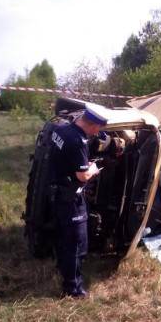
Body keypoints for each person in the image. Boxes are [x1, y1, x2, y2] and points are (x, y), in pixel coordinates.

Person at [48, 103, 109, 298]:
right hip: (71, 198)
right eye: (98, 128)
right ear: (92, 125)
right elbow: (83, 176)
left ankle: (61, 267)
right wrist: (92, 168)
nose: (97, 133)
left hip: (57, 192)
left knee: (63, 235)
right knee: (77, 243)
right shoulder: (78, 141)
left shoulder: (61, 129)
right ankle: (73, 288)